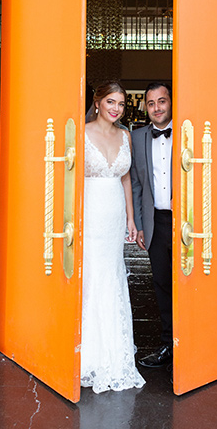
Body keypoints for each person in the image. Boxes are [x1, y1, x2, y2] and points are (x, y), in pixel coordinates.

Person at [81, 80, 145, 393]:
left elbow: (125, 179)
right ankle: (89, 356)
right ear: (98, 101)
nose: (116, 109)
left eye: (120, 103)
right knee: (92, 277)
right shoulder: (81, 133)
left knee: (112, 276)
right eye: (111, 102)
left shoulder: (125, 136)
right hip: (89, 214)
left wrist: (131, 220)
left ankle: (114, 355)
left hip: (114, 214)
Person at [130, 82, 173, 368]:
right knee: (161, 284)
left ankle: (196, 347)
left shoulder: (186, 130)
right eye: (152, 103)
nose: (157, 108)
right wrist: (139, 223)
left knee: (191, 284)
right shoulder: (138, 137)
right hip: (155, 221)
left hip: (185, 220)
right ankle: (167, 345)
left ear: (171, 102)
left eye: (162, 101)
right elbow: (135, 184)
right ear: (146, 106)